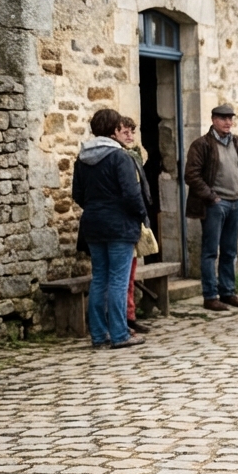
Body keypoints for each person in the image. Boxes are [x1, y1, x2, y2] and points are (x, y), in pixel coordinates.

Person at [72, 108, 148, 349]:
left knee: (100, 279)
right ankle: (118, 334)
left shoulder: (82, 159)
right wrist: (140, 217)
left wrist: (97, 207)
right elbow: (131, 194)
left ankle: (98, 333)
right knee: (117, 279)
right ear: (115, 130)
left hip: (93, 223)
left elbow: (78, 195)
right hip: (119, 225)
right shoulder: (120, 158)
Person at [185, 104, 238, 312]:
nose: (228, 122)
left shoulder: (236, 143)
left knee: (230, 251)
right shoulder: (202, 144)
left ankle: (228, 292)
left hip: (235, 202)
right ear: (213, 120)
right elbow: (191, 175)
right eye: (223, 119)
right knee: (210, 251)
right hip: (216, 204)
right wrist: (211, 196)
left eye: (230, 118)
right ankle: (210, 295)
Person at [112, 116, 153, 335]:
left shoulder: (133, 156)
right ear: (114, 134)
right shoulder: (119, 158)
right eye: (125, 132)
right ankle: (123, 319)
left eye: (132, 132)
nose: (130, 136)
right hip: (123, 222)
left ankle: (130, 314)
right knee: (122, 276)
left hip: (131, 222)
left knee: (130, 273)